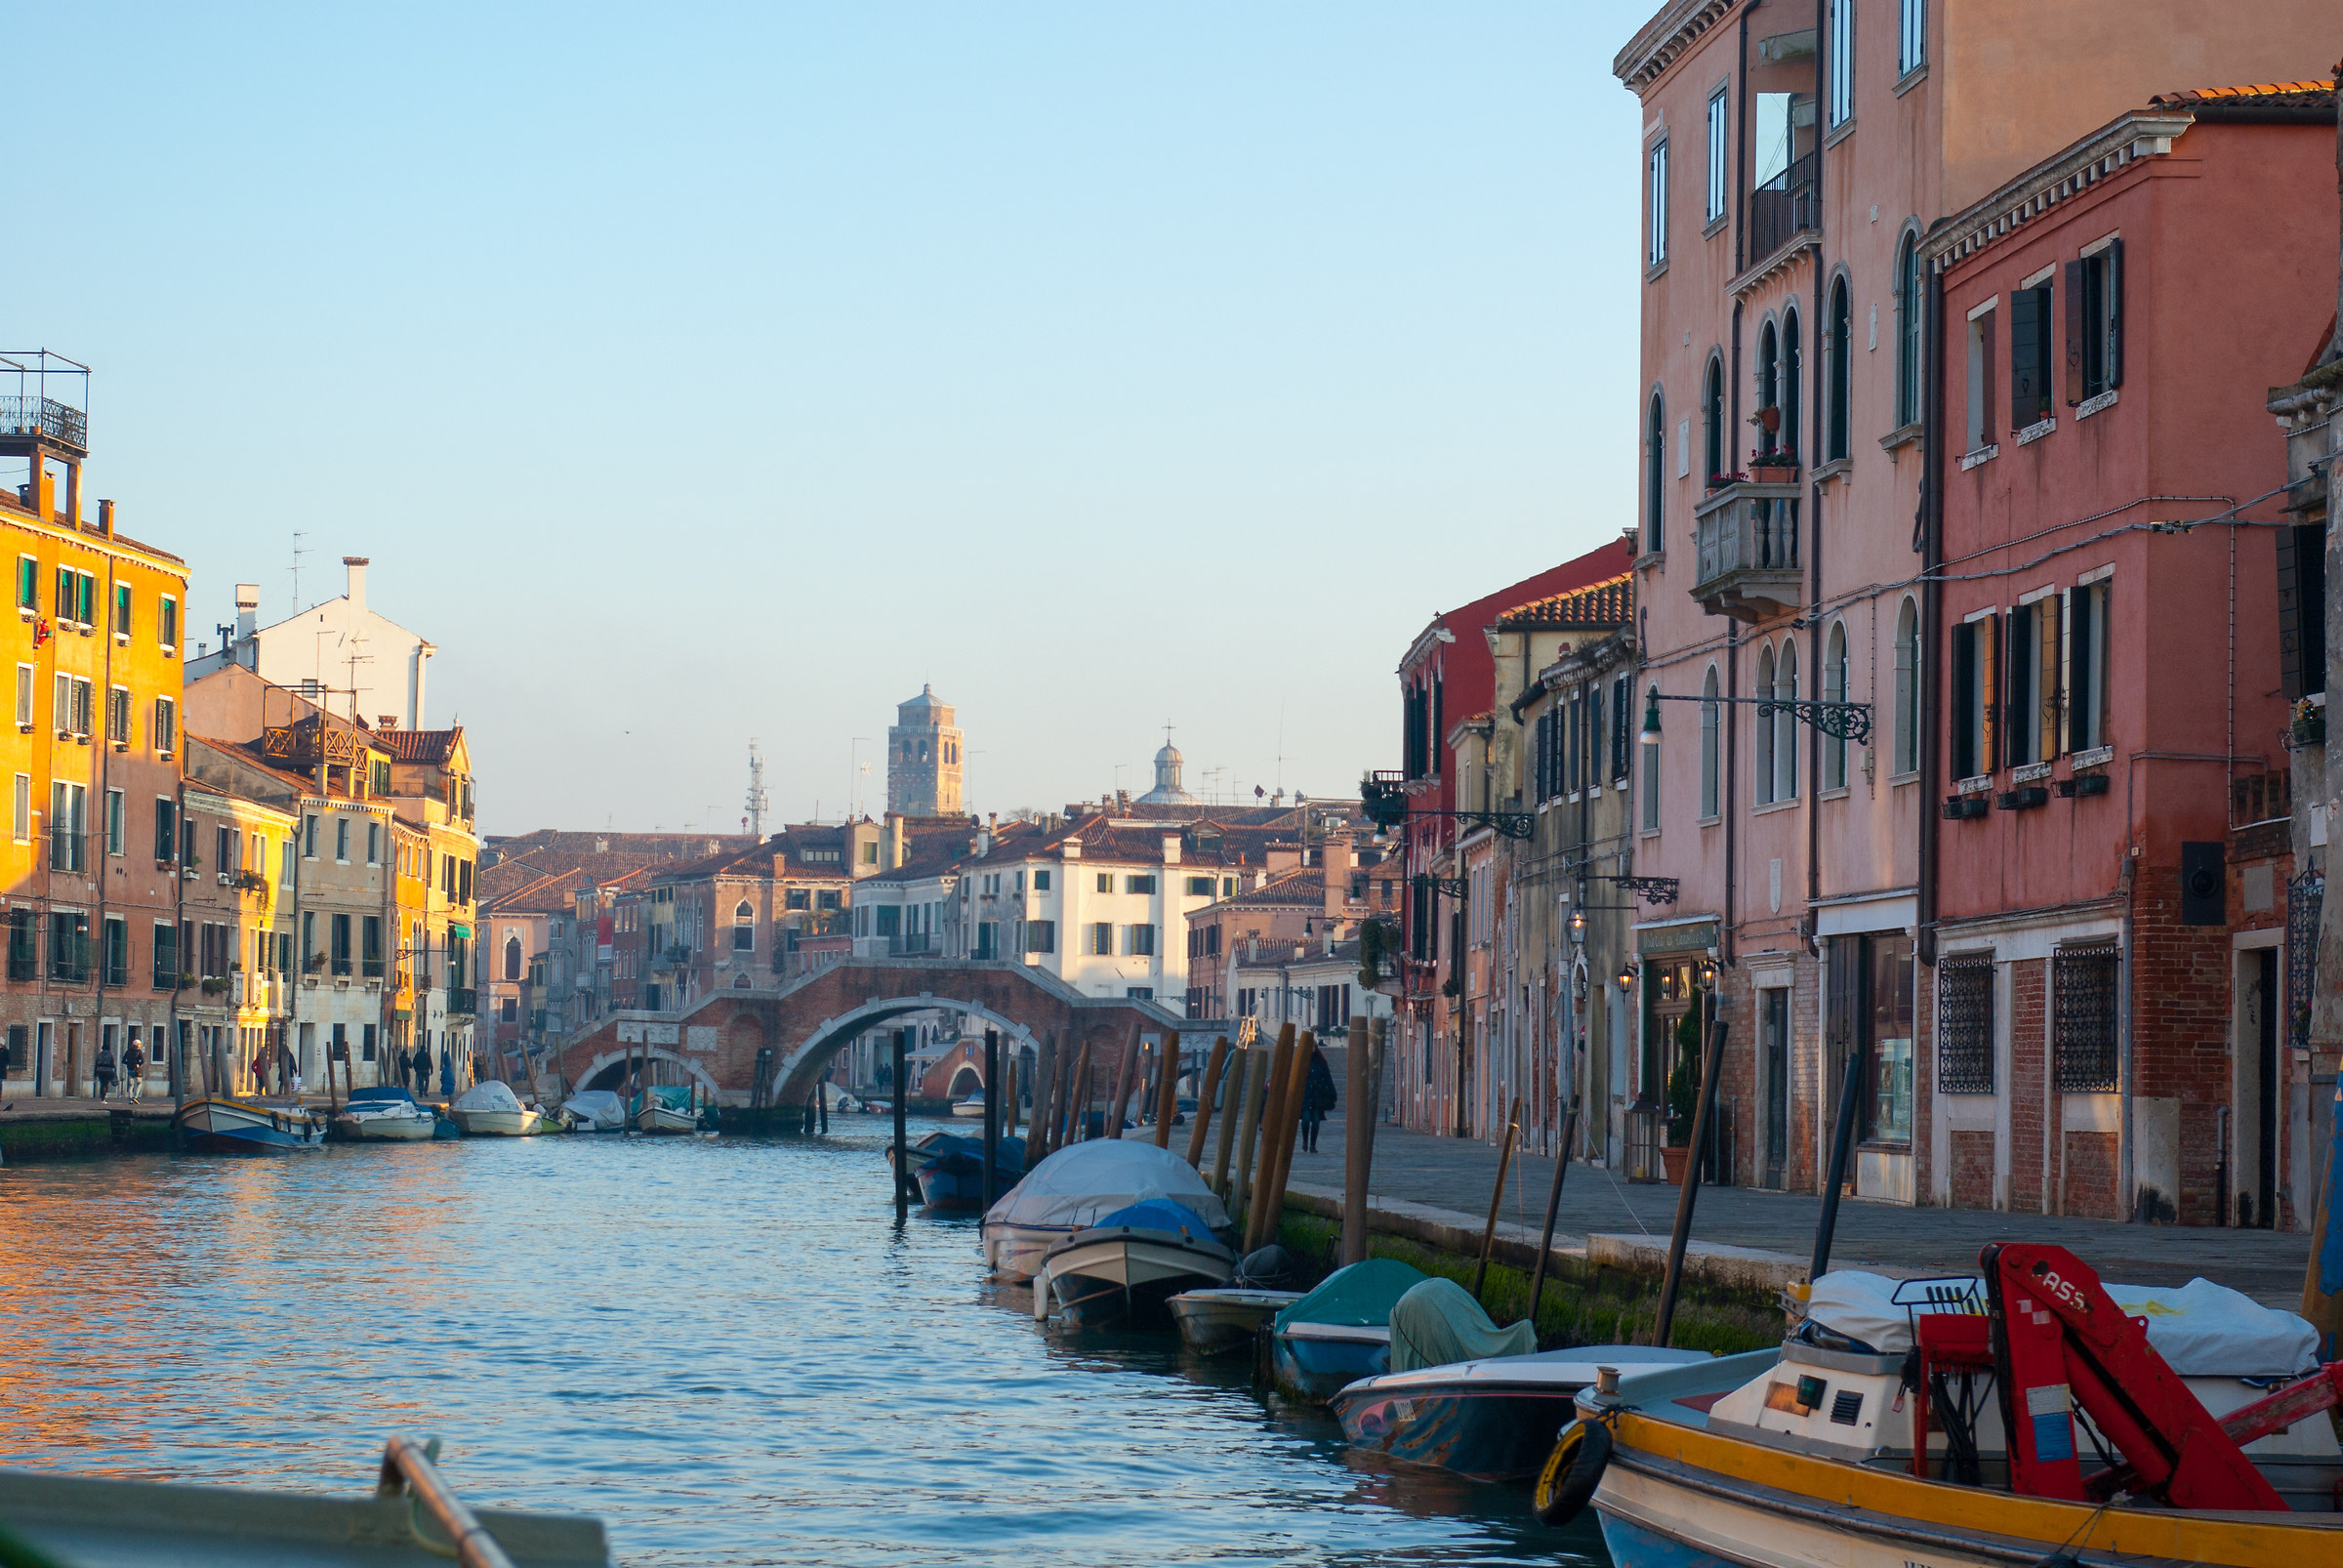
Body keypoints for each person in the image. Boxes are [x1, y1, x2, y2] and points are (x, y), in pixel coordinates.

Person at [1300, 1044, 1336, 1154]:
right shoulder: (1302, 1063)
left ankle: (1313, 1145)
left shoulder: (1321, 1063)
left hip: (1317, 1097)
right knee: (1305, 1120)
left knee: (1316, 1121)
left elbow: (1327, 1078)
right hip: (1306, 1095)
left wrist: (1332, 1093)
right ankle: (1305, 1141)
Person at [122, 1036, 145, 1106]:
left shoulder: (128, 1051)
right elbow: (143, 1060)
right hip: (136, 1069)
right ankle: (135, 1096)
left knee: (130, 1085)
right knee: (139, 1083)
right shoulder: (139, 1051)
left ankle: (130, 1099)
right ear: (137, 1044)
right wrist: (138, 1064)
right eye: (140, 1044)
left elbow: (123, 1060)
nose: (140, 1045)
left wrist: (128, 1064)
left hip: (130, 1069)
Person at [94, 1039, 116, 1103]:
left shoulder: (99, 1055)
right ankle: (103, 1098)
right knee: (105, 1084)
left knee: (102, 1084)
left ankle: (102, 1097)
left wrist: (95, 1074)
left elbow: (96, 1064)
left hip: (100, 1071)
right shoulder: (110, 1055)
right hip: (108, 1071)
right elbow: (112, 1064)